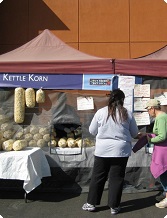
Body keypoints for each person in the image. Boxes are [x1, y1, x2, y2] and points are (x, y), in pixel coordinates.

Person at [82, 89, 139, 215]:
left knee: (98, 177)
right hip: (121, 151)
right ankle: (114, 206)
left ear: (110, 99)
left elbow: (92, 130)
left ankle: (91, 204)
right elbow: (135, 133)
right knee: (116, 178)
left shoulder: (101, 112)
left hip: (102, 150)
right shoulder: (127, 113)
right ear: (123, 100)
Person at [144, 99, 167, 209]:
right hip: (162, 149)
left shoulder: (161, 118)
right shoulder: (162, 117)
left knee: (163, 172)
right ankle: (165, 193)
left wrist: (150, 140)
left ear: (153, 108)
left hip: (163, 150)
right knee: (163, 172)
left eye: (148, 109)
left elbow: (162, 136)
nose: (148, 112)